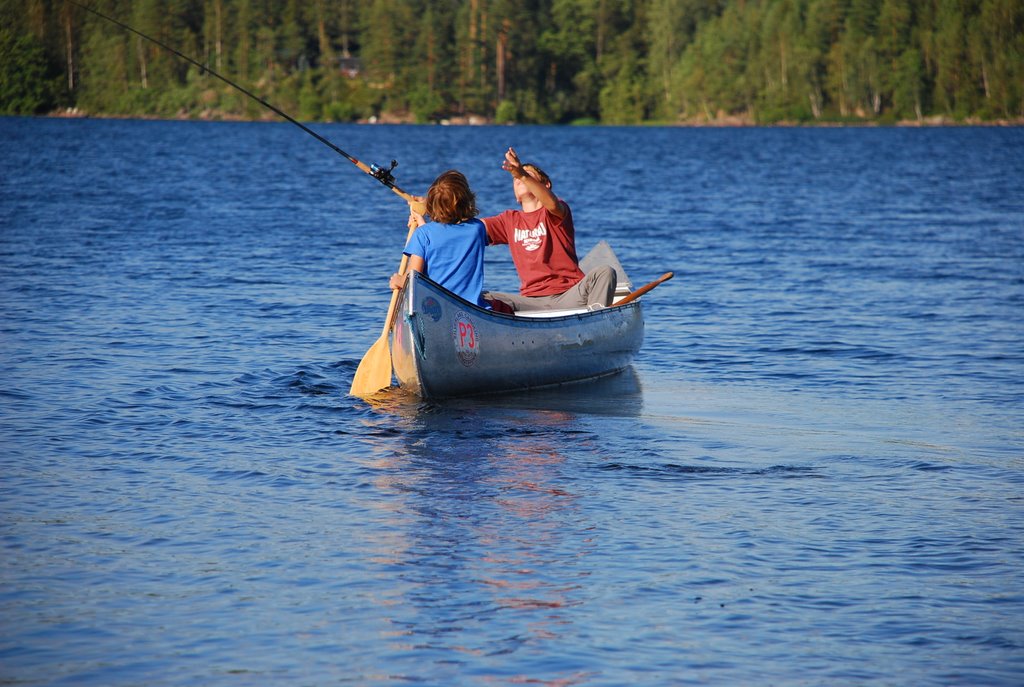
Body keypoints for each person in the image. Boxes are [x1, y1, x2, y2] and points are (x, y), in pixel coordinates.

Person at [481, 147, 617, 311]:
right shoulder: (508, 220)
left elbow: (552, 204)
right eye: (515, 177)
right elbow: (469, 230)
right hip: (530, 302)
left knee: (605, 272)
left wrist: (522, 175)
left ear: (546, 185)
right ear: (515, 196)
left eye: (527, 174)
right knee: (482, 297)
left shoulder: (556, 210)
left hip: (569, 296)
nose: (518, 177)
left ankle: (596, 321)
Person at [389, 170, 496, 310]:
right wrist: (424, 219)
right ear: (468, 201)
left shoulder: (423, 235)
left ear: (433, 204)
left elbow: (412, 282)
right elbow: (447, 237)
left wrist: (398, 280)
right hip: (471, 309)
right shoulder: (478, 229)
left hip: (437, 310)